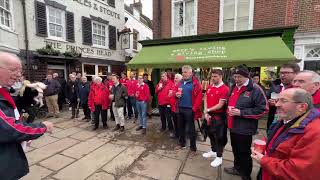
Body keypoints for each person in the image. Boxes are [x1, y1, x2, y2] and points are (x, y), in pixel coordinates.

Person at [0, 52, 53, 180]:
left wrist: (28, 95)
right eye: (13, 70)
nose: (18, 75)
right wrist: (42, 127)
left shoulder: (4, 90)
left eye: (20, 71)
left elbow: (13, 107)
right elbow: (10, 128)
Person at [252, 88, 320, 180]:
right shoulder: (287, 119)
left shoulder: (314, 132)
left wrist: (263, 160)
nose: (277, 104)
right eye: (277, 100)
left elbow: (297, 172)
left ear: (302, 107)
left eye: (283, 101)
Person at [224, 65, 268, 180]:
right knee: (235, 149)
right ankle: (237, 168)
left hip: (245, 129)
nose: (236, 79)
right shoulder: (234, 86)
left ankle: (246, 175)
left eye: (239, 77)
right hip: (232, 125)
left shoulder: (255, 89)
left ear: (246, 76)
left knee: (244, 152)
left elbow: (263, 110)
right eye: (235, 76)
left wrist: (241, 112)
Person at [202, 69, 229, 167]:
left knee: (220, 137)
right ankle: (213, 151)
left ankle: (219, 157)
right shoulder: (209, 87)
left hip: (219, 117)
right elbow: (205, 98)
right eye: (212, 76)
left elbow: (220, 104)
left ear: (221, 76)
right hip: (209, 115)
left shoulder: (225, 88)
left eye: (215, 76)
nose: (213, 78)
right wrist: (205, 111)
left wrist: (208, 110)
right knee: (210, 134)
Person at [175, 65, 202, 156]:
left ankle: (193, 149)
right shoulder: (180, 82)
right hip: (180, 108)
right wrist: (176, 95)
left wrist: (194, 109)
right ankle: (182, 144)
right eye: (183, 72)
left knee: (191, 130)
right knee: (181, 128)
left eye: (185, 72)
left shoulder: (196, 83)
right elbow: (176, 93)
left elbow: (199, 97)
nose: (184, 74)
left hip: (190, 110)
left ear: (191, 73)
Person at [267, 63, 300, 129]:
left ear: (296, 74)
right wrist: (269, 102)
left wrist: (278, 103)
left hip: (292, 126)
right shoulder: (275, 87)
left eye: (286, 73)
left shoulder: (300, 90)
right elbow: (266, 100)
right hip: (274, 123)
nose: (282, 75)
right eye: (281, 73)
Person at [156, 72, 174, 136]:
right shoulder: (160, 83)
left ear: (166, 76)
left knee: (168, 117)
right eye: (161, 76)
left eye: (163, 76)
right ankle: (163, 127)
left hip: (167, 103)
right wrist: (158, 89)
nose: (162, 77)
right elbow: (156, 91)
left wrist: (170, 95)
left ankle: (171, 129)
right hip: (160, 103)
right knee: (162, 116)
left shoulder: (171, 83)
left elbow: (172, 93)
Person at [169, 73, 183, 138]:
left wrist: (174, 94)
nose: (175, 79)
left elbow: (179, 95)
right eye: (175, 78)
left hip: (178, 107)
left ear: (181, 79)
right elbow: (170, 94)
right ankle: (177, 134)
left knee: (179, 123)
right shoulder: (173, 85)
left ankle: (180, 135)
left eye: (177, 78)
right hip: (173, 107)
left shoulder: (180, 86)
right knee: (174, 121)